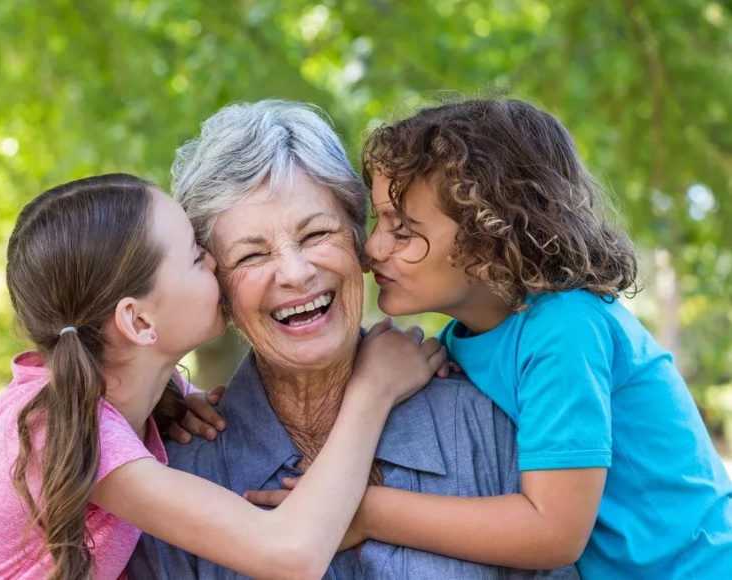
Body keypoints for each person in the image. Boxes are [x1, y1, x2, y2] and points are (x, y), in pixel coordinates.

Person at [0, 173, 445, 579]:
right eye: (195, 256)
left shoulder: (105, 406)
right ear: (138, 321)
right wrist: (373, 390)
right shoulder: (67, 430)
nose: (216, 263)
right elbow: (291, 554)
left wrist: (172, 399)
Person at [130, 100, 577, 578]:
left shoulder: (486, 419)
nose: (297, 274)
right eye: (251, 256)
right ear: (217, 289)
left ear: (360, 241)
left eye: (317, 233)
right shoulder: (175, 474)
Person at [357, 97, 732, 576]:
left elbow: (552, 532)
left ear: (489, 240)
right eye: (377, 221)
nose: (371, 248)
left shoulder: (564, 327)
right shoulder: (465, 338)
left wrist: (367, 511)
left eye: (403, 230)